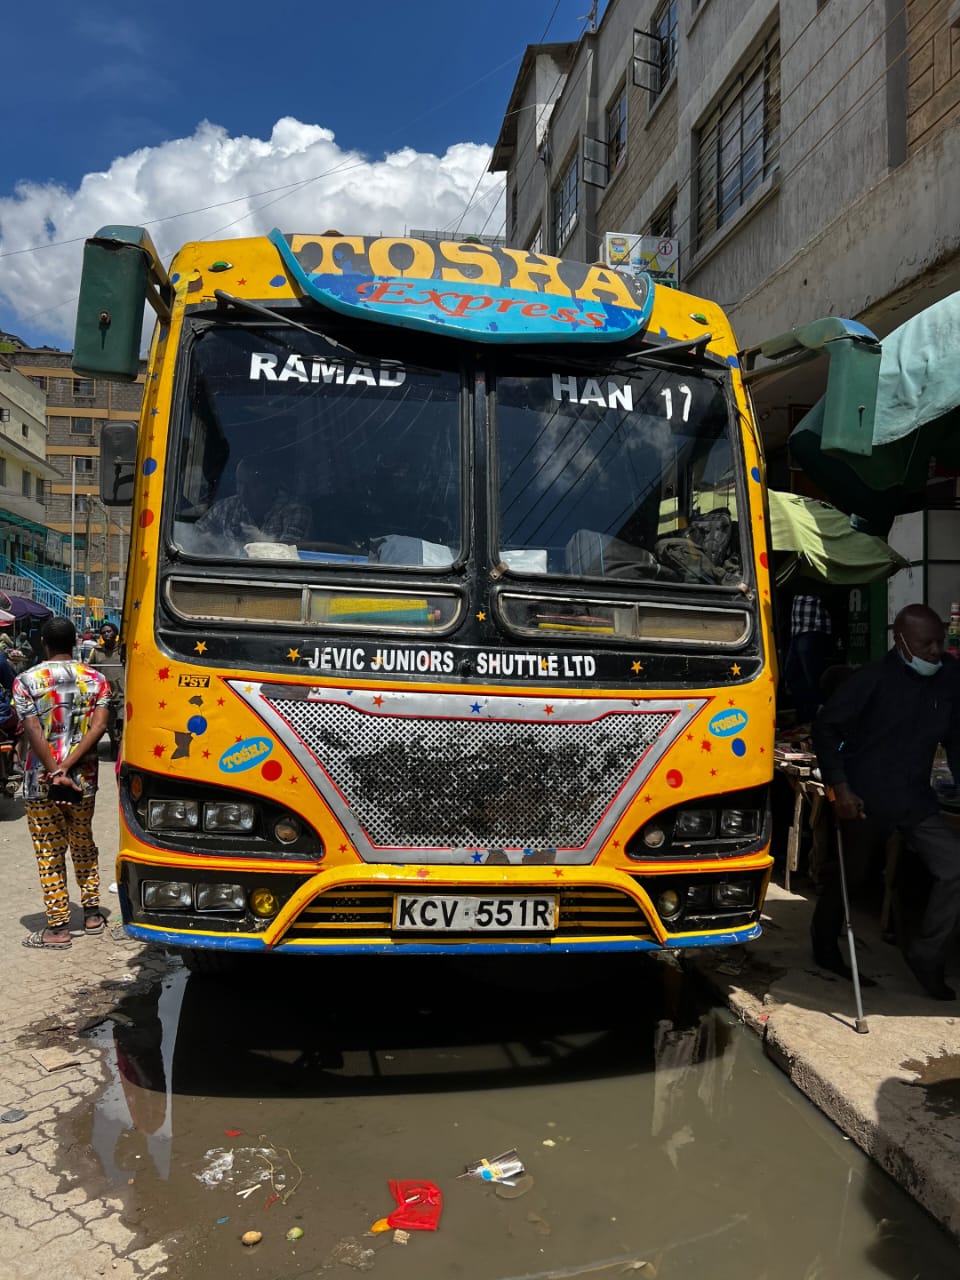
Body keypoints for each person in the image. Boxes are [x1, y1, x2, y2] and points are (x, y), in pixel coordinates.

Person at [811, 603, 960, 999]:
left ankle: (926, 954)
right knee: (852, 877)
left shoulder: (949, 678)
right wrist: (839, 788)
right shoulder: (871, 680)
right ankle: (824, 945)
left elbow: (956, 740)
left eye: (940, 642)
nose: (935, 651)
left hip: (915, 798)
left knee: (954, 868)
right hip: (864, 797)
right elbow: (825, 730)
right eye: (926, 644)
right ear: (901, 642)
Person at [12, 616, 111, 950]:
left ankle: (57, 928)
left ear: (44, 643)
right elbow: (98, 728)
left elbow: (32, 729)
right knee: (83, 841)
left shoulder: (26, 680)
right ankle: (93, 913)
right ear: (73, 643)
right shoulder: (97, 680)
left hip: (41, 780)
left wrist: (55, 769)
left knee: (49, 850)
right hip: (84, 780)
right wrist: (68, 768)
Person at [193, 454, 310, 549]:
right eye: (240, 483)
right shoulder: (227, 507)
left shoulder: (295, 511)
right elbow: (195, 533)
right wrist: (207, 541)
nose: (244, 491)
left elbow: (291, 554)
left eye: (253, 484)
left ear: (271, 485)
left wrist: (262, 540)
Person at [784, 591, 834, 726]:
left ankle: (819, 716)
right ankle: (806, 716)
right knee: (792, 675)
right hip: (798, 627)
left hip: (813, 626)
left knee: (813, 677)